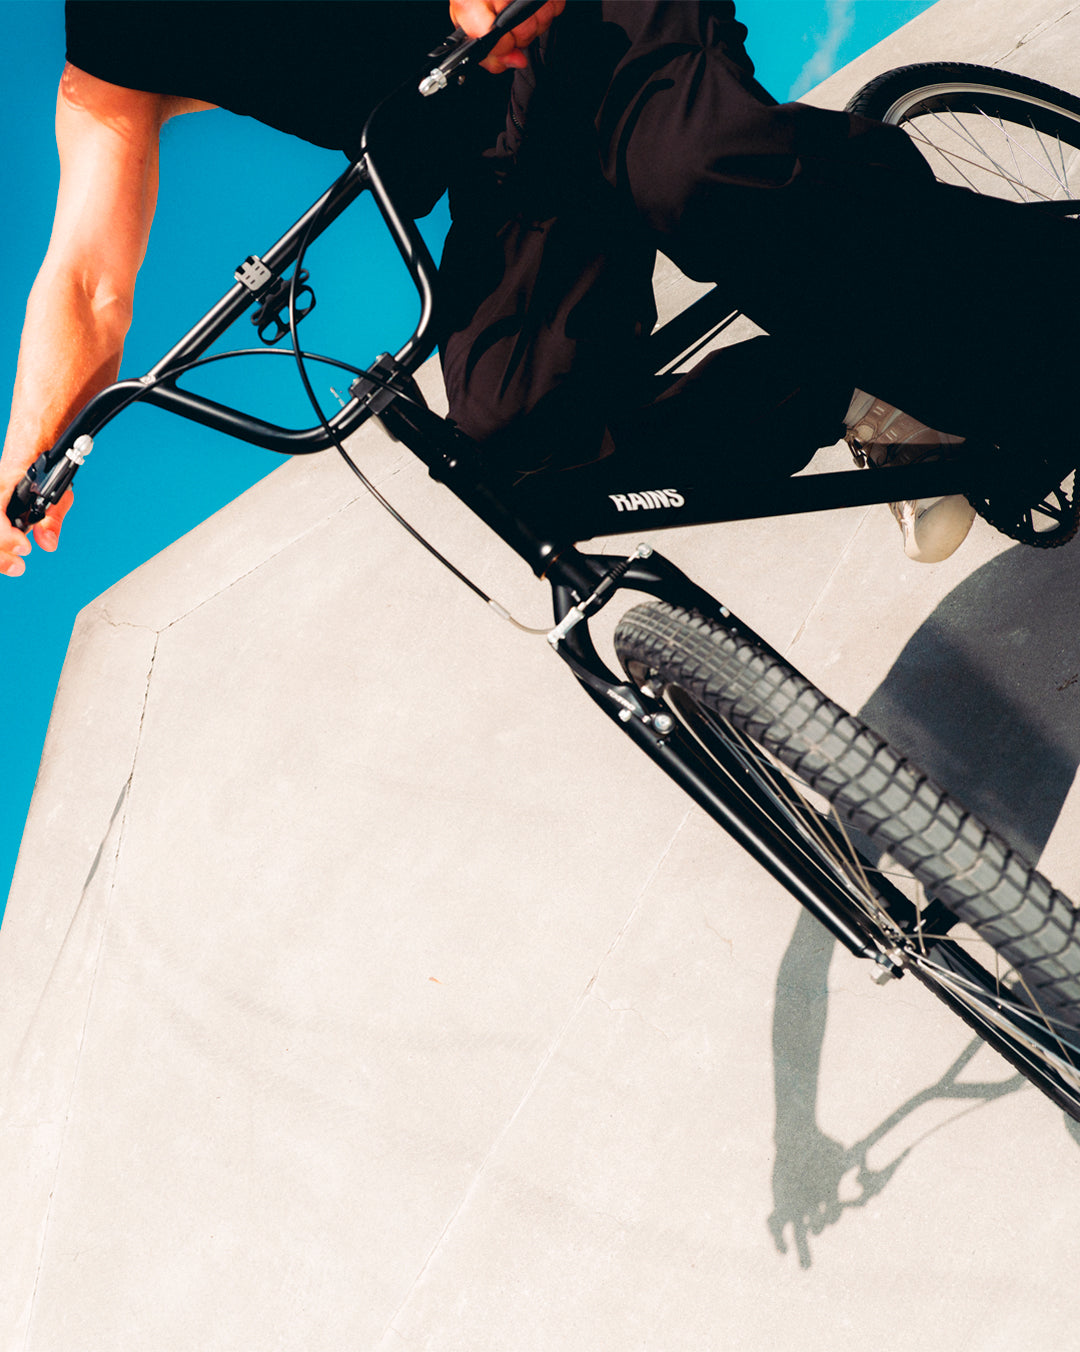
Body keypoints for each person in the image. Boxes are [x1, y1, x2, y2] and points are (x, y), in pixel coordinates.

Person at [2, 1, 1077, 580]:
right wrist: (27, 459)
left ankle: (1037, 292)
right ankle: (852, 389)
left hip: (597, 21)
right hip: (504, 161)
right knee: (518, 441)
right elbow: (89, 278)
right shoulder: (113, 49)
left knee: (697, 174)